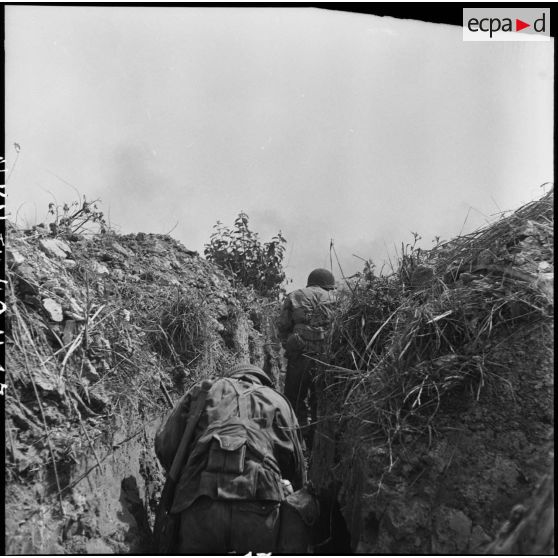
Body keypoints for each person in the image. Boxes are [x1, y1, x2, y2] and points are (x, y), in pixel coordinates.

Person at [154, 363, 307, 555]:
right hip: (262, 508)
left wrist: (189, 476)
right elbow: (296, 469)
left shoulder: (204, 390)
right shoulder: (280, 402)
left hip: (198, 501)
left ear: (232, 375)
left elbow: (166, 447)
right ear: (264, 382)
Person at [276, 268, 337, 449]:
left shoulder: (295, 295)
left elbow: (283, 326)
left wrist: (290, 344)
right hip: (326, 360)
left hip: (299, 357)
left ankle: (296, 443)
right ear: (328, 284)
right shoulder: (335, 299)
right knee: (320, 401)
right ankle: (315, 445)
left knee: (294, 400)